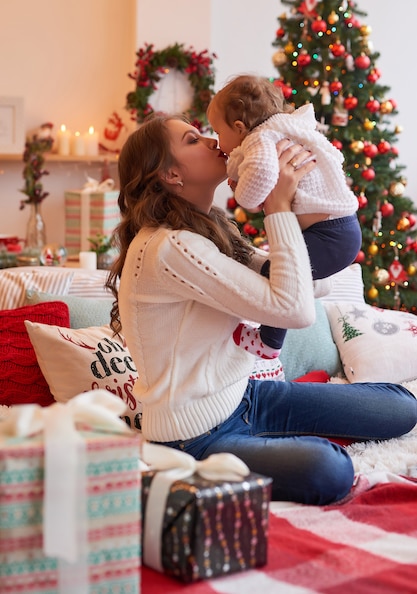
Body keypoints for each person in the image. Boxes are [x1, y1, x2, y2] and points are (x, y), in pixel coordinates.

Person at [106, 113, 417, 505]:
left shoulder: (211, 230)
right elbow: (292, 309)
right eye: (191, 139)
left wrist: (310, 205)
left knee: (401, 409)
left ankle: (277, 438)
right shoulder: (169, 248)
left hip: (246, 398)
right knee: (331, 470)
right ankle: (278, 445)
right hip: (194, 437)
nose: (209, 140)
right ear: (170, 174)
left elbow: (304, 285)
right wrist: (278, 209)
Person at [207, 74, 362, 358]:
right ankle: (311, 284)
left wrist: (242, 192)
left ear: (239, 127)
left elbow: (262, 177)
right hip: (338, 232)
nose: (218, 142)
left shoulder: (260, 138)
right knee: (282, 268)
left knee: (276, 272)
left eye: (218, 132)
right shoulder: (282, 128)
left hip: (331, 235)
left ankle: (269, 343)